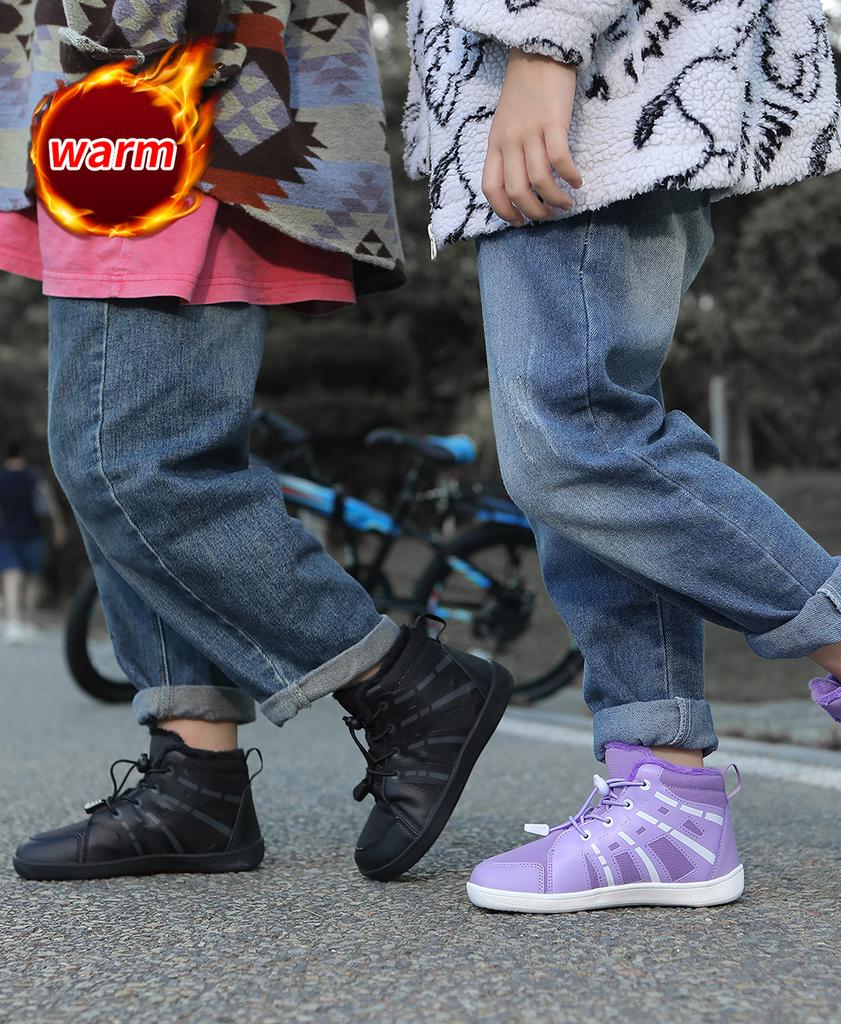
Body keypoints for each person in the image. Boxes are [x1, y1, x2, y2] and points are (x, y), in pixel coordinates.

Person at [402, 1, 841, 910]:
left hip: (594, 62)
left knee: (574, 437)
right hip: (550, 72)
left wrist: (545, 37)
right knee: (583, 447)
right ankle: (666, 797)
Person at [6, 2, 512, 883]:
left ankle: (405, 683)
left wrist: (138, 29)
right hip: (123, 89)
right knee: (129, 455)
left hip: (155, 82)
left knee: (128, 462)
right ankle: (195, 779)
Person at [0, 441, 65, 643]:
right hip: (32, 532)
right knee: (31, 577)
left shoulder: (1, 478)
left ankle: (13, 622)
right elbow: (47, 502)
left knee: (11, 576)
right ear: (22, 455)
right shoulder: (34, 476)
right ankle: (26, 620)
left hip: (7, 534)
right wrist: (58, 525)